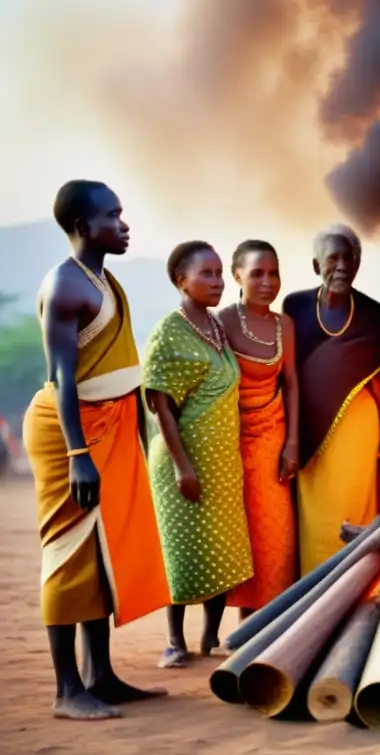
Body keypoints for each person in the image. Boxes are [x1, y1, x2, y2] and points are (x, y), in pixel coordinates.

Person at [22, 180, 169, 719]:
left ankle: (100, 676)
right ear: (83, 227)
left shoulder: (102, 278)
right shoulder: (66, 286)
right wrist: (78, 454)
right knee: (67, 552)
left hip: (108, 426)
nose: (124, 224)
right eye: (113, 215)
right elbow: (63, 380)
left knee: (102, 551)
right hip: (72, 432)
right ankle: (67, 692)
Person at [144, 241, 254, 668]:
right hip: (182, 460)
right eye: (206, 273)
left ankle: (210, 637)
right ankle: (174, 640)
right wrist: (182, 467)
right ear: (180, 281)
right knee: (182, 552)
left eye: (219, 273)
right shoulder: (168, 331)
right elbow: (161, 407)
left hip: (223, 460)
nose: (217, 281)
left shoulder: (215, 327)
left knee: (222, 549)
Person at [282, 225, 380, 575]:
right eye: (333, 258)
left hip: (358, 435)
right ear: (316, 265)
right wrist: (289, 438)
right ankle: (315, 599)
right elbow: (287, 375)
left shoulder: (376, 318)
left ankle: (355, 591)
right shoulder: (295, 306)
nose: (343, 266)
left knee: (353, 513)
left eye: (350, 258)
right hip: (307, 434)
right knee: (314, 523)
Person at [219, 240, 299, 617]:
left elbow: (293, 383)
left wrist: (292, 443)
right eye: (257, 274)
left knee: (275, 532)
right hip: (231, 439)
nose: (268, 282)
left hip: (273, 437)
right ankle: (242, 623)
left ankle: (271, 620)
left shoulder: (285, 324)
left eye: (274, 273)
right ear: (237, 276)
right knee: (239, 534)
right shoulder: (220, 322)